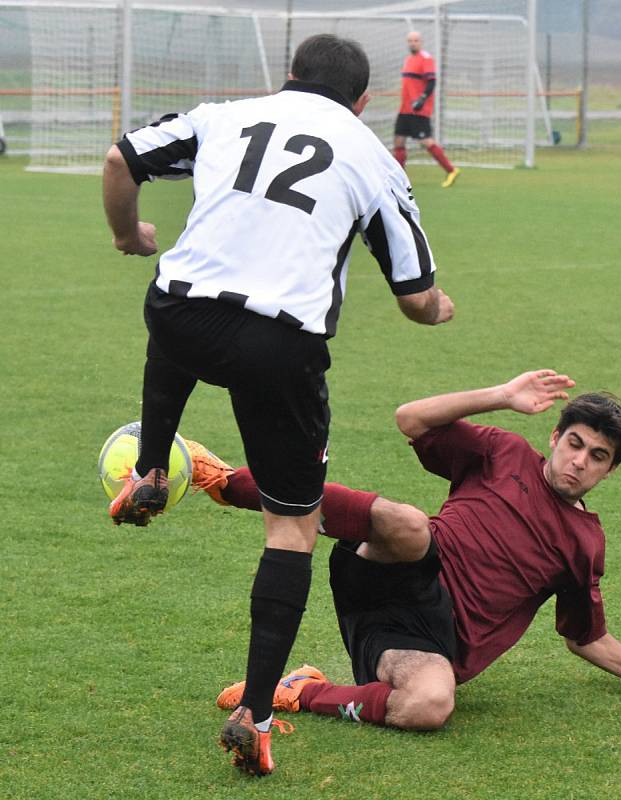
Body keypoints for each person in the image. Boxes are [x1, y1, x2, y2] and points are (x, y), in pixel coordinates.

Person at [101, 34, 454, 776]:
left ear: (287, 78)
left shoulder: (226, 115)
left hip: (182, 311)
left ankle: (152, 468)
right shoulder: (371, 158)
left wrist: (127, 232)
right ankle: (256, 713)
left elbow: (120, 159)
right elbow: (416, 297)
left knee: (174, 306)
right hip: (278, 346)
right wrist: (439, 309)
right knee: (291, 526)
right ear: (363, 102)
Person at [185, 369, 621, 732]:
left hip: (421, 640)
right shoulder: (504, 452)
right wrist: (501, 396)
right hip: (395, 570)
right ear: (555, 437)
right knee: (407, 523)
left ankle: (304, 691)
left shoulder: (585, 543)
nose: (579, 461)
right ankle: (226, 482)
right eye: (575, 443)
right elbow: (410, 418)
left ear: (610, 470)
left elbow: (584, 637)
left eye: (598, 456)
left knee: (431, 705)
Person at [393, 31, 460, 188]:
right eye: (410, 40)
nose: (412, 43)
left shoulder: (426, 59)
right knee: (398, 141)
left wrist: (421, 99)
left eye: (415, 40)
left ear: (421, 42)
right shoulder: (408, 59)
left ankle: (451, 170)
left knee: (425, 141)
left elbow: (431, 83)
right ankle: (399, 178)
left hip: (418, 110)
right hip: (405, 109)